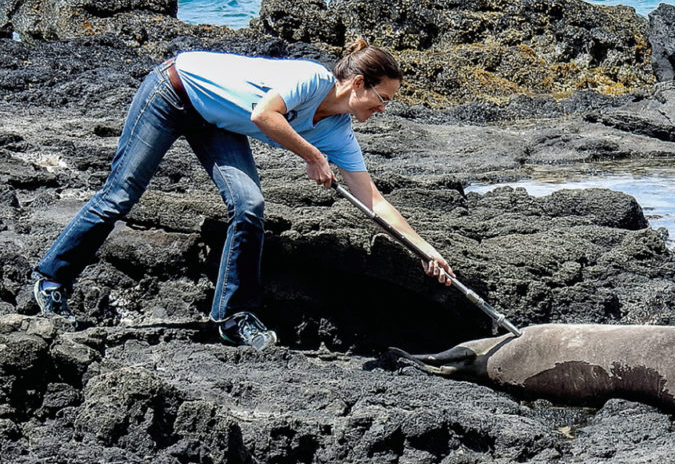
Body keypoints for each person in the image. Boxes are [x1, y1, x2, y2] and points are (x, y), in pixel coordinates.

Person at [32, 38, 454, 350]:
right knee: (121, 195)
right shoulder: (311, 78)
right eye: (382, 99)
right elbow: (263, 115)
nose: (382, 110)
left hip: (218, 123)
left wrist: (425, 251)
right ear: (358, 84)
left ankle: (233, 316)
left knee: (249, 205)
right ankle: (52, 279)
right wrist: (311, 156)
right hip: (172, 92)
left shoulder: (339, 132)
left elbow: (373, 200)